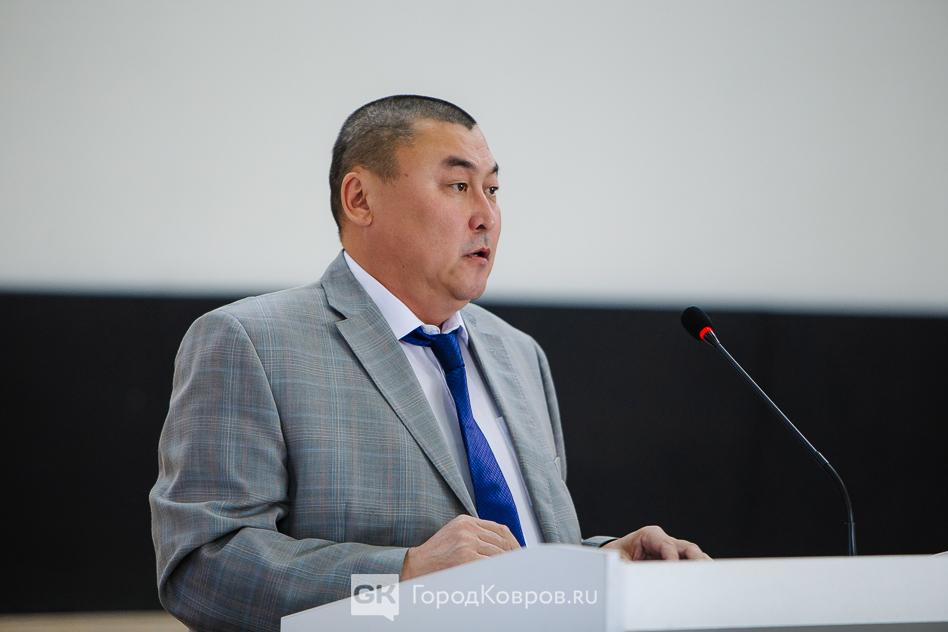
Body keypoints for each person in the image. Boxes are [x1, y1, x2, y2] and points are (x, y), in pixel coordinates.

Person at [149, 95, 708, 631]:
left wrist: (602, 563)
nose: (486, 216)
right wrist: (404, 575)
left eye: (493, 190)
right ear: (360, 199)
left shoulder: (519, 356)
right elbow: (203, 568)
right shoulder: (251, 342)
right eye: (459, 186)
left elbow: (513, 565)